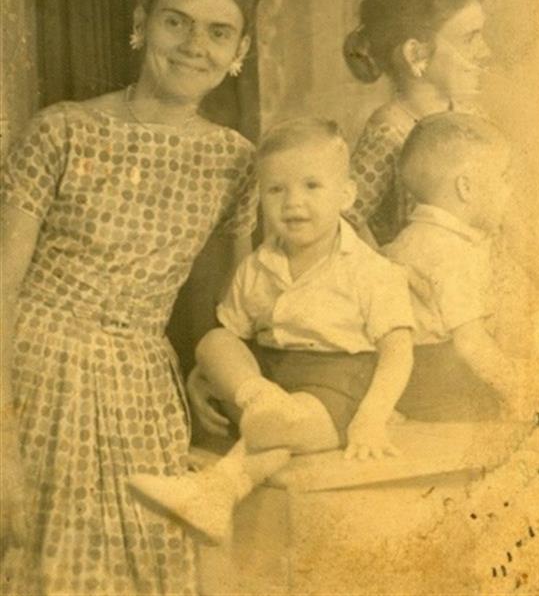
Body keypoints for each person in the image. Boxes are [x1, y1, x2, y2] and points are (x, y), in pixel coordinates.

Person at [0, 0, 286, 596]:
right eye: (175, 21)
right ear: (141, 23)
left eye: (218, 32)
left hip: (142, 396)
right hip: (39, 379)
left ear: (240, 52)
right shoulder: (61, 131)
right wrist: (2, 443)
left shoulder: (237, 162)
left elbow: (228, 304)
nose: (194, 45)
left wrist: (204, 371)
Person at [128, 117, 415, 543]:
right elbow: (232, 338)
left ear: (346, 194)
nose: (293, 202)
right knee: (214, 340)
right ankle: (264, 408)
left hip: (336, 391)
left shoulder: (372, 272)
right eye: (276, 190)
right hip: (265, 382)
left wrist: (372, 418)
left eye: (312, 186)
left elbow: (398, 352)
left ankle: (216, 490)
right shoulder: (257, 266)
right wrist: (206, 378)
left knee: (281, 425)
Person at [384, 112, 528, 421]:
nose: (509, 190)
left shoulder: (414, 239)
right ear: (466, 188)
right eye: (503, 177)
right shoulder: (447, 252)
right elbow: (471, 344)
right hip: (439, 387)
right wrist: (520, 392)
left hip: (406, 379)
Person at [343, 0, 491, 246]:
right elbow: (343, 218)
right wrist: (385, 265)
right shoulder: (390, 130)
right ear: (416, 53)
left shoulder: (472, 117)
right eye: (469, 38)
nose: (485, 51)